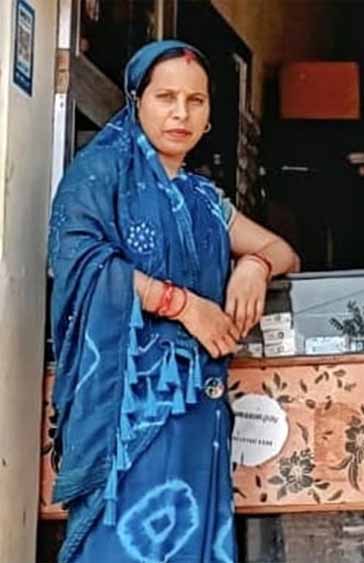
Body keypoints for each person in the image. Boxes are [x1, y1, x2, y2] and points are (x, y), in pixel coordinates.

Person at [47, 40, 300, 562]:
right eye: (166, 97)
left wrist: (254, 265)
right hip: (127, 415)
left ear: (209, 116)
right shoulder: (100, 175)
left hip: (198, 411)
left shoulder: (204, 200)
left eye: (196, 101)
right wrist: (183, 305)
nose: (181, 113)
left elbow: (283, 252)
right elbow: (79, 262)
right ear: (136, 100)